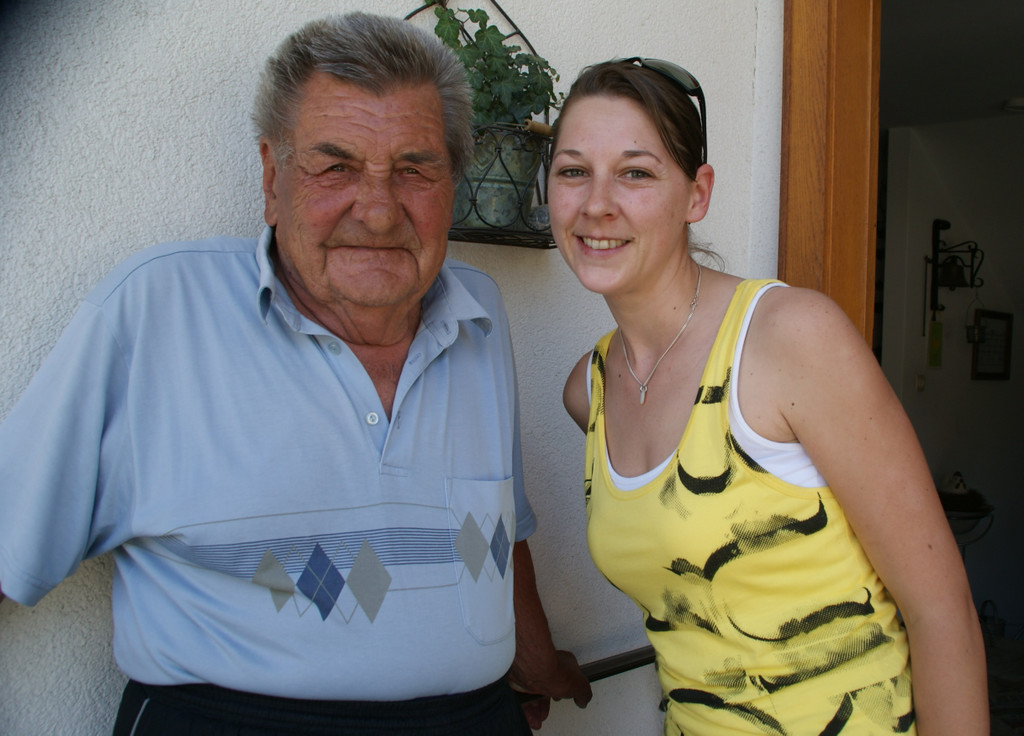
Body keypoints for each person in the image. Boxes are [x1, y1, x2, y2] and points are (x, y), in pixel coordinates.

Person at [0, 13, 590, 734]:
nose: (378, 212)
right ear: (271, 178)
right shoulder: (156, 313)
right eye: (335, 167)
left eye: (414, 169)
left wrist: (536, 664)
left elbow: (495, 533)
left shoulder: (479, 316)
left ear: (453, 184)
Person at [549, 57, 987, 735]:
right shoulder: (590, 391)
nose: (596, 203)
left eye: (636, 173)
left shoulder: (788, 339)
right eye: (573, 171)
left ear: (697, 195)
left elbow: (941, 609)